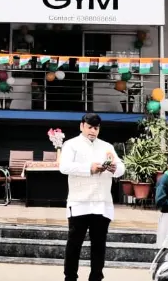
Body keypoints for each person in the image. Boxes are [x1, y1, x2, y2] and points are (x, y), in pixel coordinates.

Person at [59, 112, 124, 281]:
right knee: (74, 243)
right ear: (82, 126)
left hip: (102, 203)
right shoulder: (71, 144)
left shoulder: (106, 146)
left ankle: (96, 277)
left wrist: (114, 168)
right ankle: (70, 277)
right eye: (89, 127)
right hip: (79, 202)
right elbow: (64, 167)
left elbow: (121, 168)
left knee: (99, 244)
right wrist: (89, 168)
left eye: (96, 128)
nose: (93, 131)